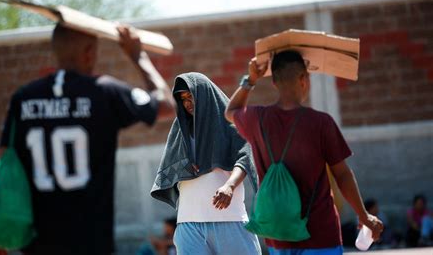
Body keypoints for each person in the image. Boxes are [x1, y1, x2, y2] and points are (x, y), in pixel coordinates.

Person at [0, 24, 175, 255]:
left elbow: (6, 167)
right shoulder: (105, 91)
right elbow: (167, 104)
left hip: (37, 244)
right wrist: (138, 55)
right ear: (89, 52)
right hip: (91, 243)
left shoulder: (22, 98)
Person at [225, 50, 383, 255]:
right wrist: (363, 215)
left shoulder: (257, 119)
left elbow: (230, 111)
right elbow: (342, 174)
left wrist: (250, 80)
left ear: (274, 82)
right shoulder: (321, 123)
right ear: (303, 79)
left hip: (278, 236)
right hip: (320, 235)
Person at [151, 72, 261, 255]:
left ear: (204, 95)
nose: (187, 103)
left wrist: (229, 186)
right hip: (189, 224)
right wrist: (186, 166)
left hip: (228, 220)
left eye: (191, 96)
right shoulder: (181, 130)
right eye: (183, 99)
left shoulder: (230, 126)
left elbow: (246, 156)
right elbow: (174, 165)